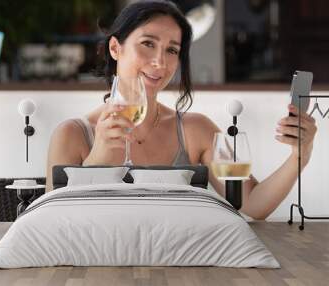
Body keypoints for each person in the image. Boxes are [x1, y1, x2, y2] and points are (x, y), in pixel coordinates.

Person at [46, 0, 317, 220]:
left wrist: (299, 157)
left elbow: (253, 205)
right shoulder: (72, 134)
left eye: (172, 50)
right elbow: (52, 222)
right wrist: (99, 159)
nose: (159, 62)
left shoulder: (196, 130)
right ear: (116, 48)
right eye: (148, 44)